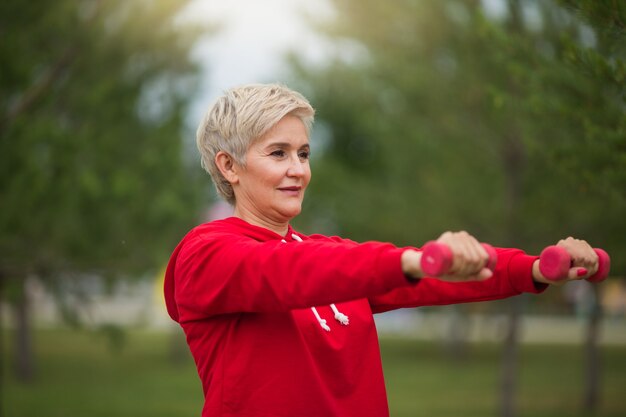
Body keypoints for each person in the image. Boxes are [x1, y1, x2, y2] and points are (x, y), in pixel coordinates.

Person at [163, 83, 601, 417]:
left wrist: (538, 270)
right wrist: (410, 261)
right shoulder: (205, 254)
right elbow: (292, 271)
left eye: (303, 153)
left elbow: (432, 281)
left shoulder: (328, 254)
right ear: (228, 165)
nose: (299, 170)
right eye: (278, 153)